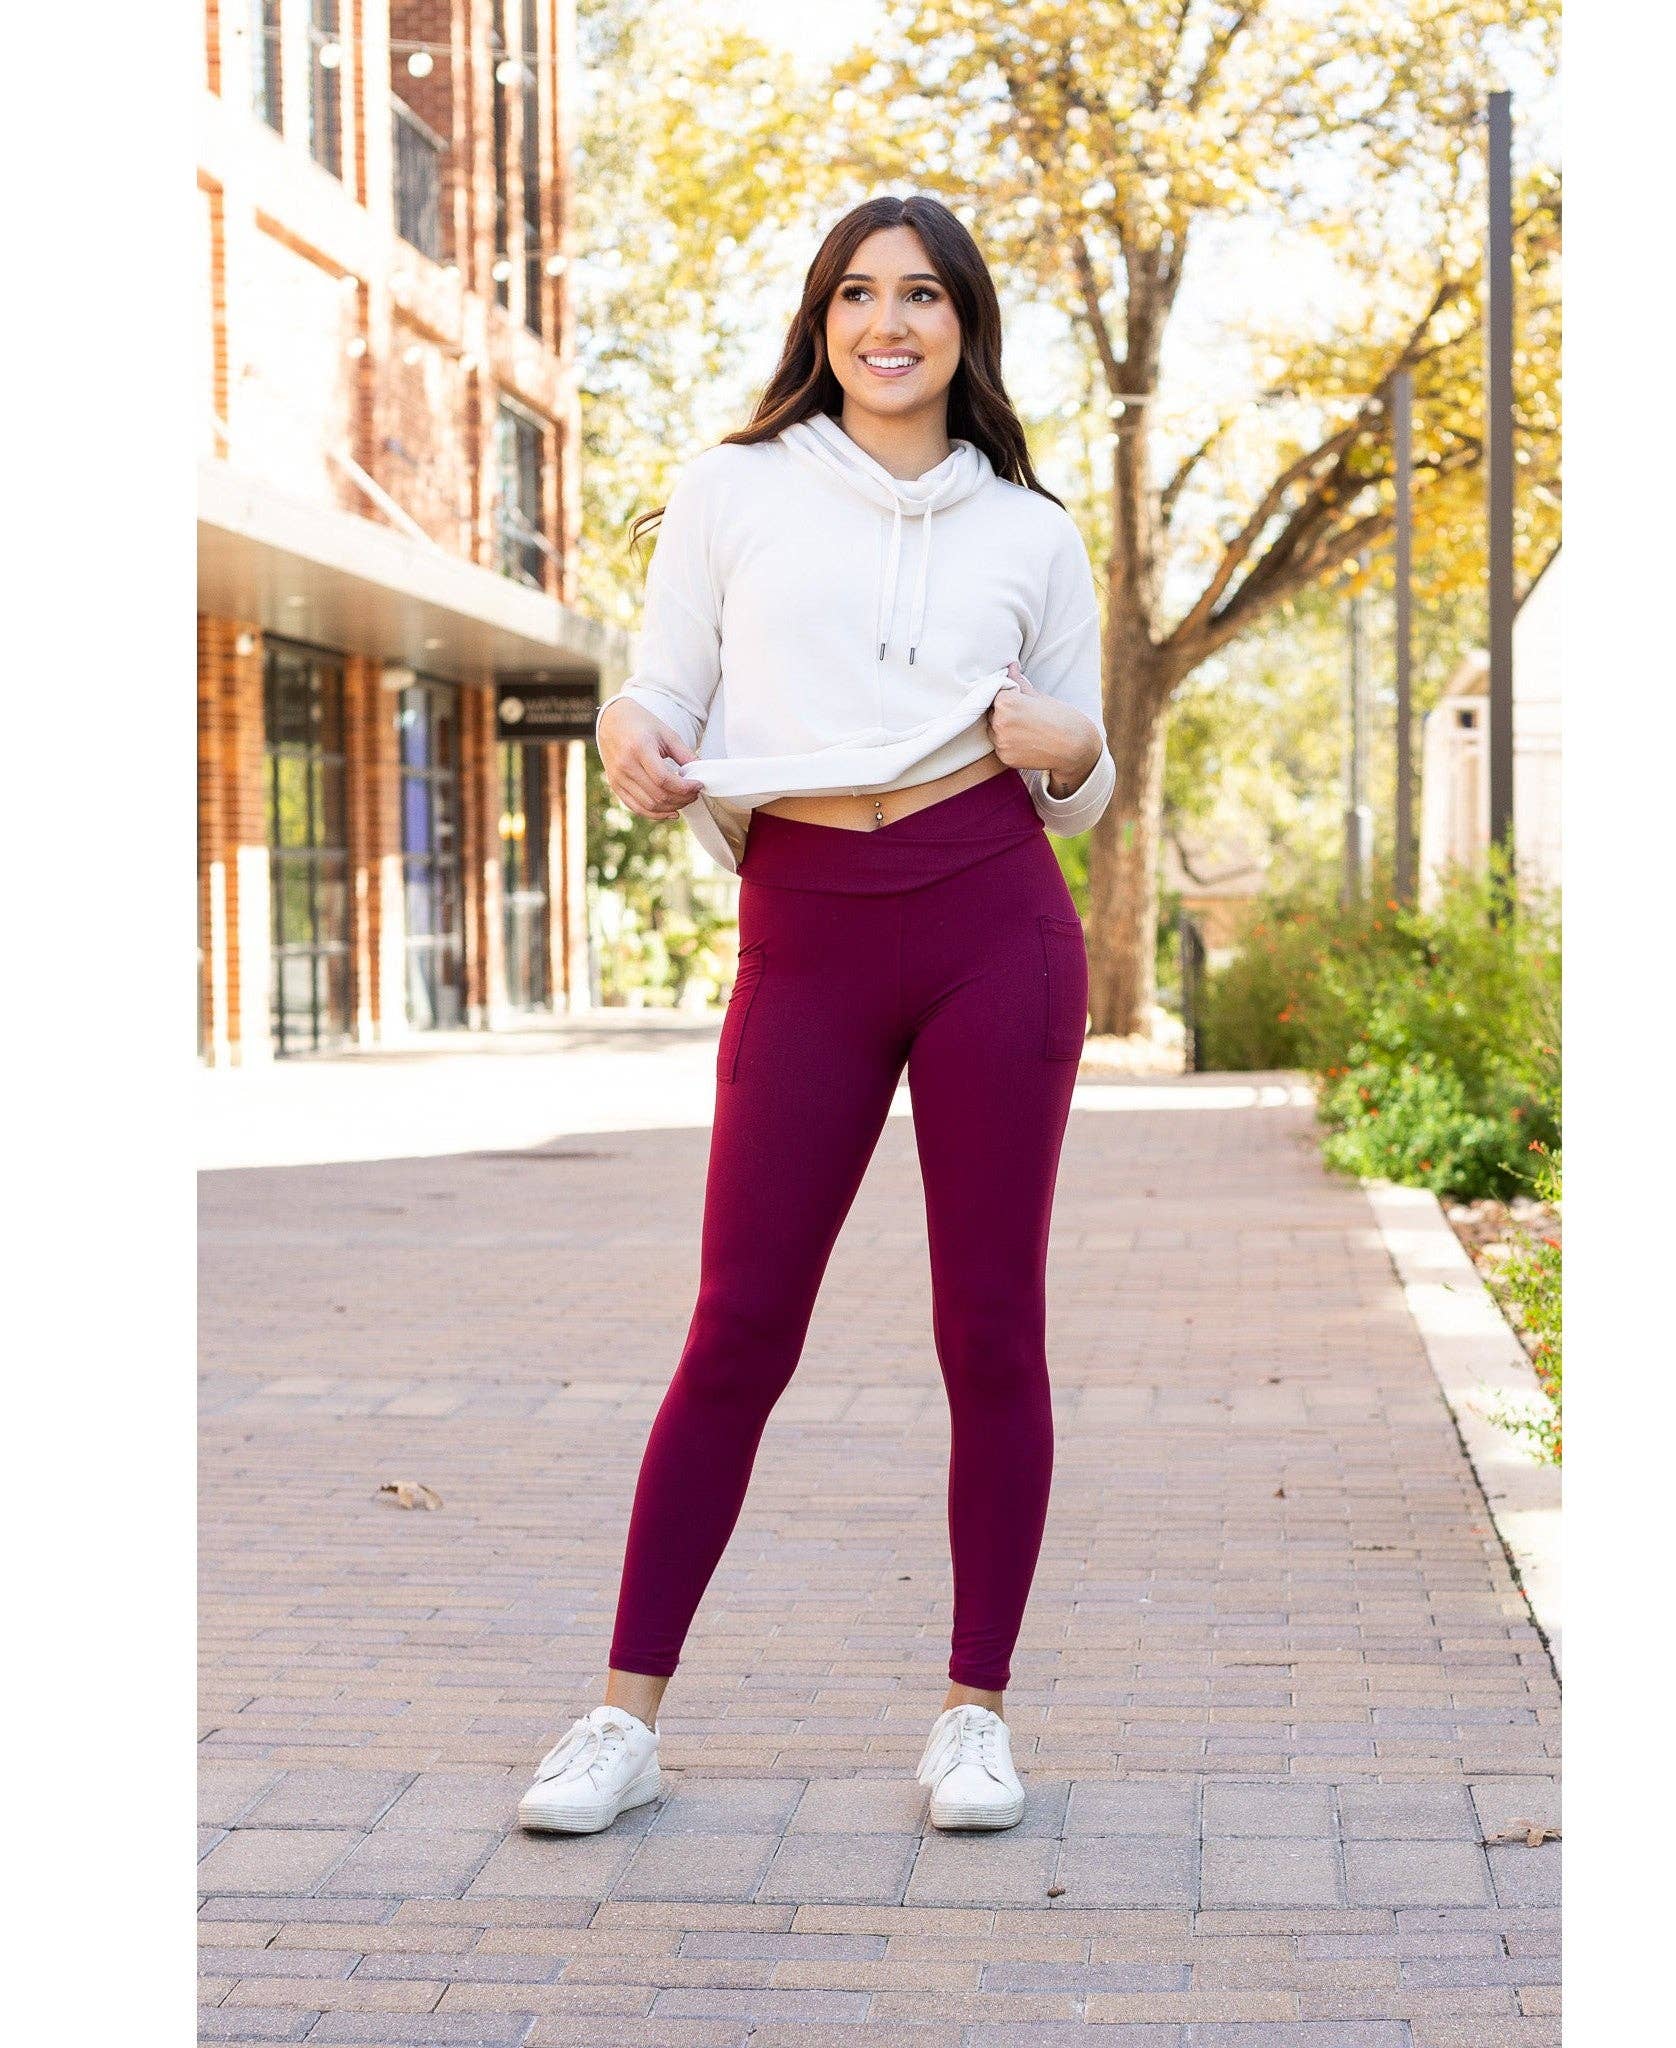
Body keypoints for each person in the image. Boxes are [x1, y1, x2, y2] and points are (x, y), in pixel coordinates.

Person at [518, 194, 1115, 1838]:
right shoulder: (735, 489)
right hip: (807, 923)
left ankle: (975, 1716)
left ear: (964, 325)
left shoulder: (1032, 530)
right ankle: (622, 1719)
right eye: (857, 294)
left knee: (989, 1328)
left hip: (994, 921)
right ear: (821, 320)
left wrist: (1070, 745)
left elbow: (1083, 767)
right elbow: (664, 685)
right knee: (739, 1325)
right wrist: (631, 732)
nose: (886, 323)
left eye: (920, 295)